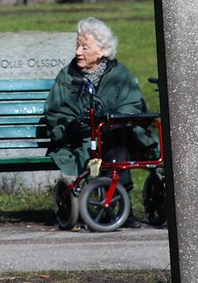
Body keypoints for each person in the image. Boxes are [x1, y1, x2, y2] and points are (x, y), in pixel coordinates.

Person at [44, 17, 148, 228]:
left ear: (101, 51)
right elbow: (56, 112)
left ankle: (121, 206)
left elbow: (133, 104)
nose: (78, 52)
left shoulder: (120, 74)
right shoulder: (67, 76)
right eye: (77, 46)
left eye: (84, 47)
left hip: (113, 135)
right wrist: (75, 125)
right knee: (102, 145)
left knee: (117, 141)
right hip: (79, 139)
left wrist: (112, 118)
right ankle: (104, 206)